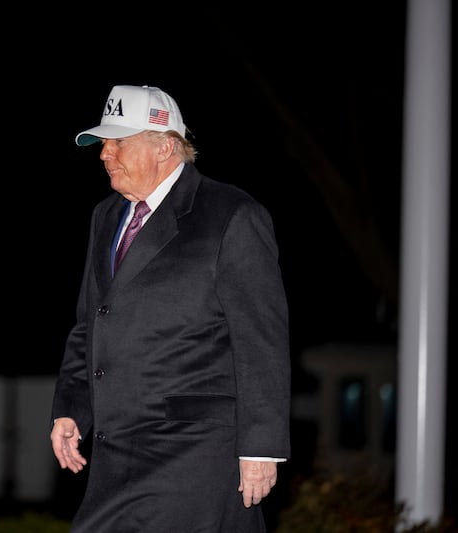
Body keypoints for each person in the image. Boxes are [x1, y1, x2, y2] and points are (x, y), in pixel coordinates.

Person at [50, 84, 291, 533]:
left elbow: (261, 339)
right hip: (114, 450)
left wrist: (260, 448)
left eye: (118, 141)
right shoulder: (107, 216)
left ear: (164, 146)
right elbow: (91, 323)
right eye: (103, 143)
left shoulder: (230, 214)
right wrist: (71, 406)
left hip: (194, 453)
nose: (105, 154)